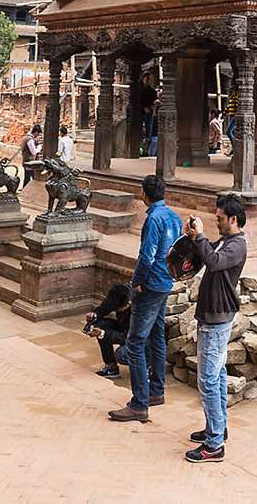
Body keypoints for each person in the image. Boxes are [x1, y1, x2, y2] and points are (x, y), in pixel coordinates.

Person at [108, 174, 181, 423]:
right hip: (165, 281)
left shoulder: (154, 219)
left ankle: (139, 403)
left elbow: (147, 256)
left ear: (144, 195)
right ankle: (157, 390)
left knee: (137, 343)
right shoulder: (173, 216)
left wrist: (136, 281)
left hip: (150, 284)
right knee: (157, 336)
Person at [184, 193, 247, 464]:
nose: (217, 223)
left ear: (233, 219)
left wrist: (200, 238)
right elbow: (207, 253)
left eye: (220, 219)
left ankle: (214, 445)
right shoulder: (225, 241)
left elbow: (213, 262)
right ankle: (217, 429)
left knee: (208, 380)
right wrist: (193, 238)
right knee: (217, 376)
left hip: (217, 320)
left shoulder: (237, 246)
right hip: (213, 316)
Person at [86, 283, 132, 378]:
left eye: (119, 310)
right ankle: (111, 367)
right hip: (124, 327)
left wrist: (103, 333)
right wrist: (95, 315)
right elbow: (106, 307)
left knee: (122, 354)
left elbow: (128, 338)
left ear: (128, 303)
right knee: (100, 326)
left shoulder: (139, 311)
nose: (116, 311)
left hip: (141, 339)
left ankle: (149, 365)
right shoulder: (118, 293)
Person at [20, 125, 43, 189]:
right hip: (29, 162)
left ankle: (24, 189)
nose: (37, 136)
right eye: (38, 134)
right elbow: (33, 152)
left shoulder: (26, 137)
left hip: (26, 160)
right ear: (35, 132)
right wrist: (39, 148)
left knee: (27, 177)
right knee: (33, 177)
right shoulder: (29, 139)